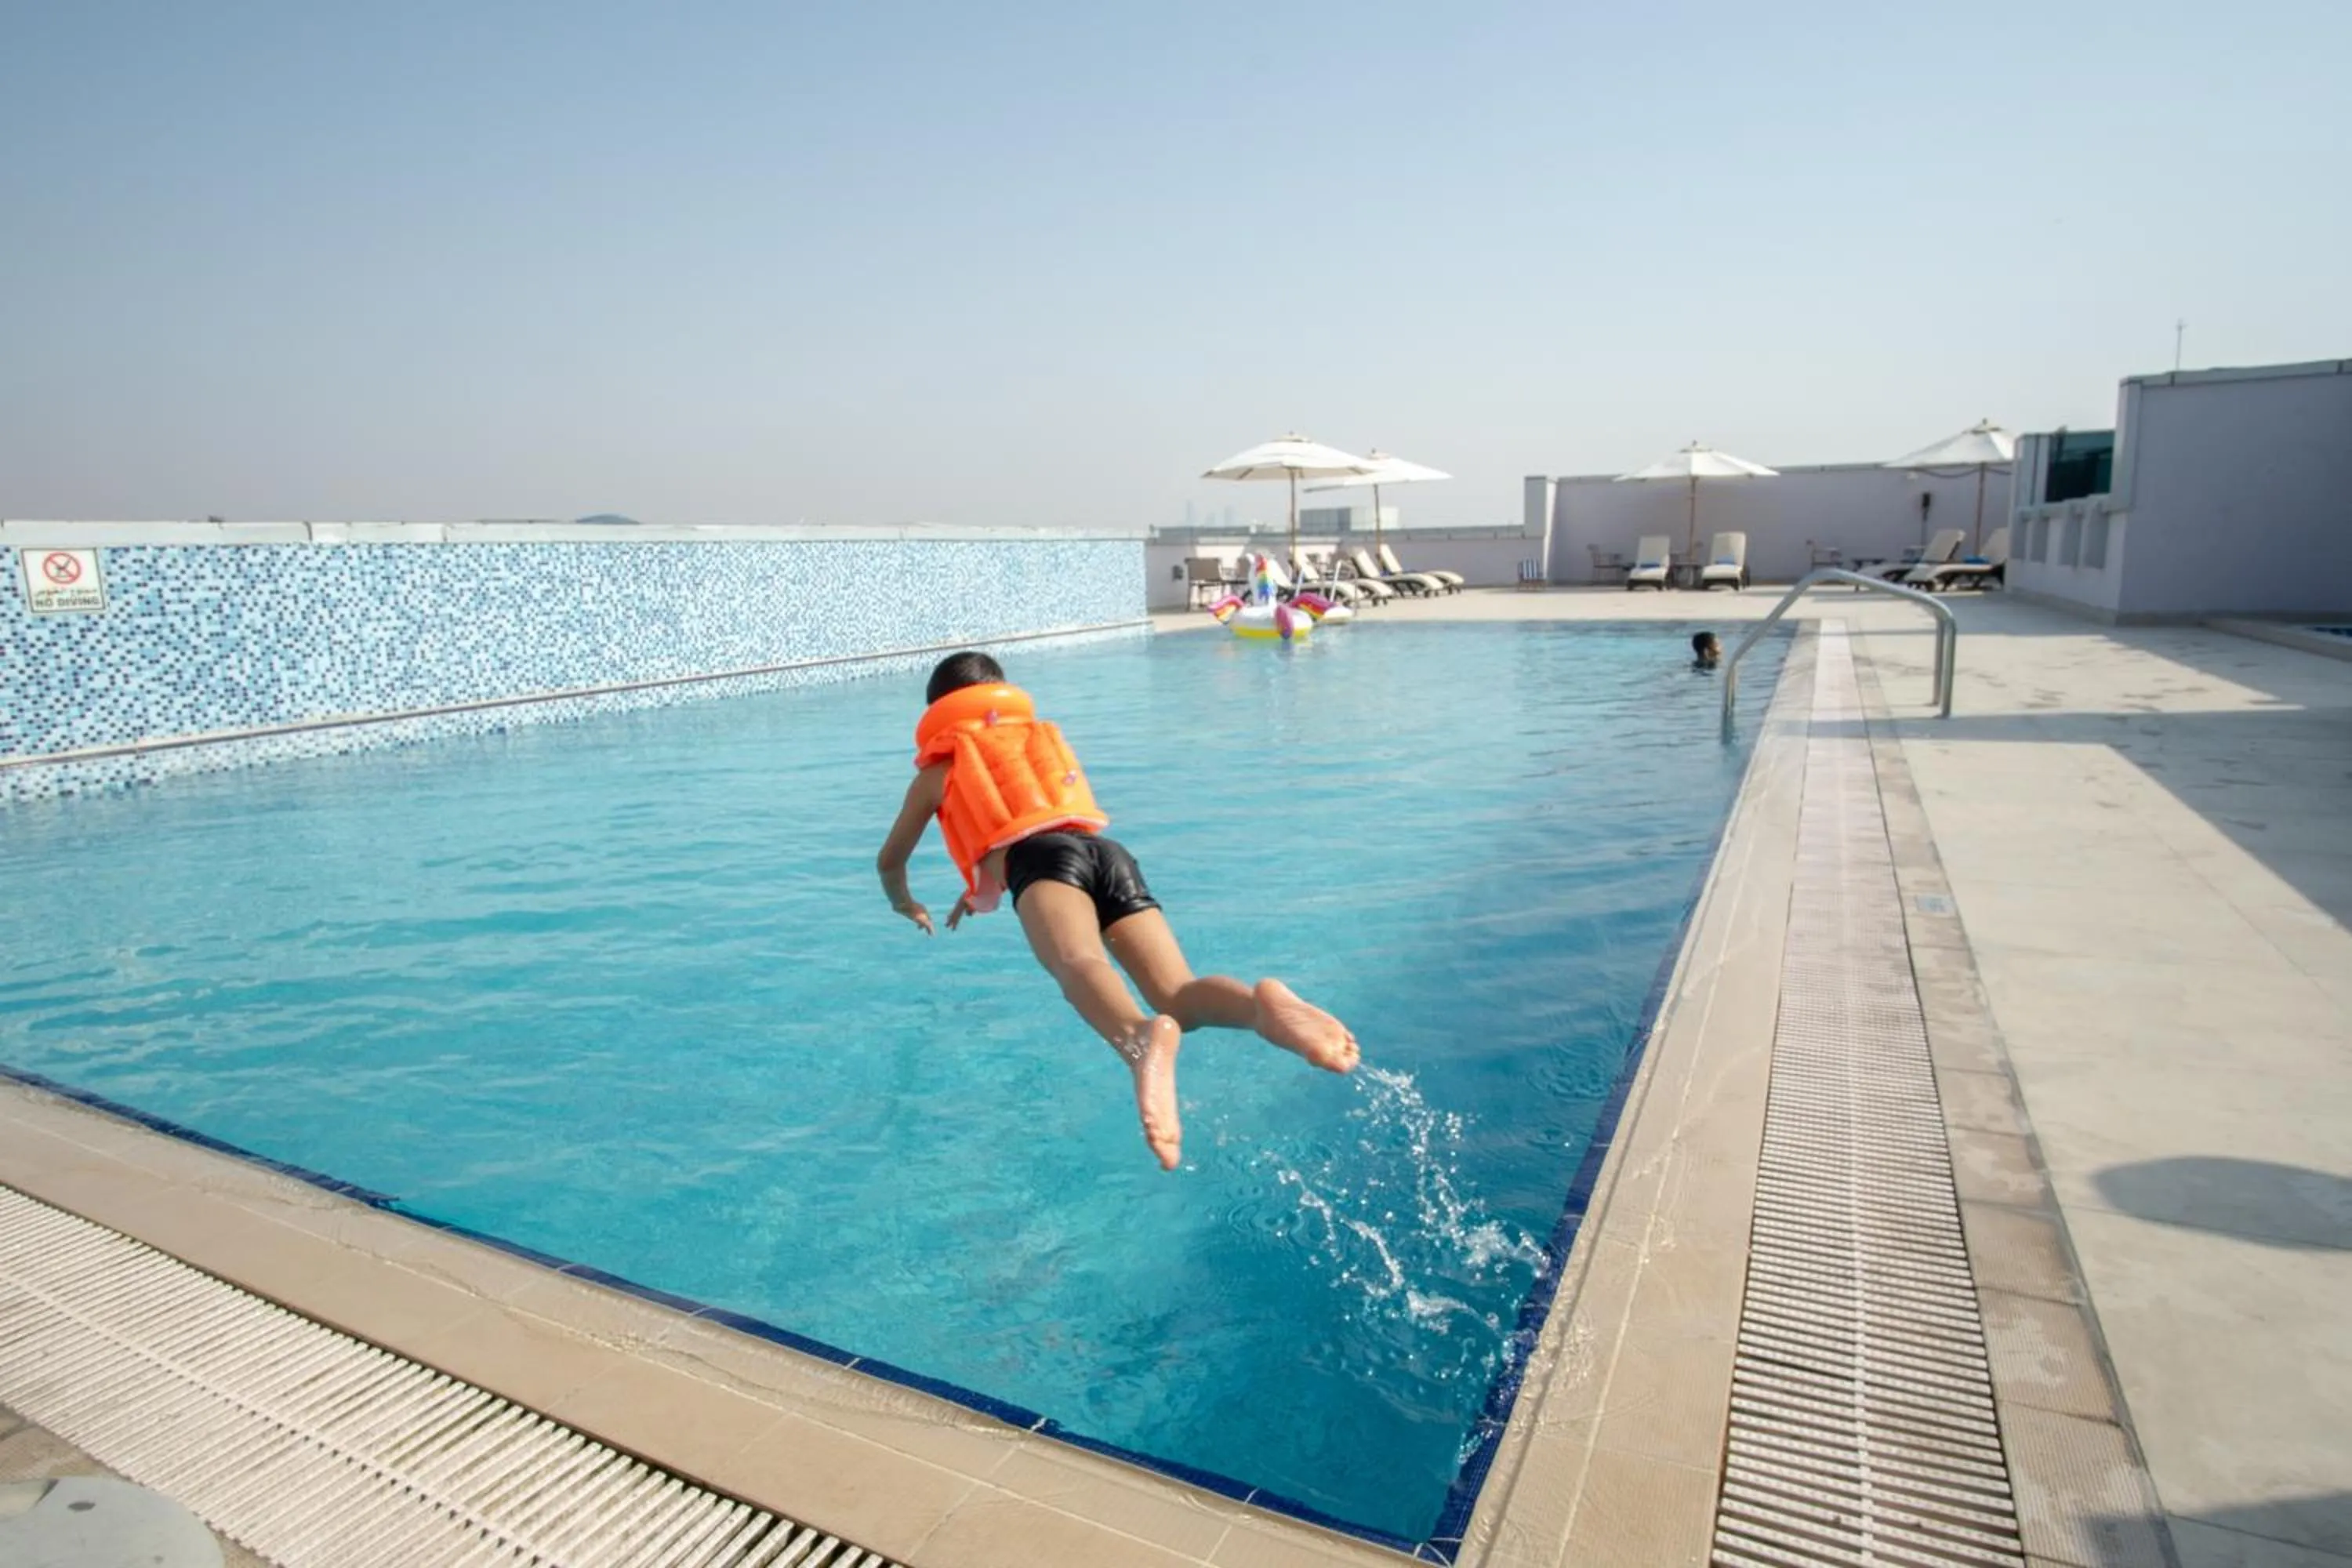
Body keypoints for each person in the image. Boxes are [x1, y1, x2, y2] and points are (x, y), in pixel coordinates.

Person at [877, 652, 1359, 1170]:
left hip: (1042, 867)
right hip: (1108, 855)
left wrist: (904, 901)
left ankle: (1136, 1038)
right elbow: (1025, 822)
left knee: (1078, 964)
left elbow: (892, 860)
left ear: (937, 713)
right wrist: (975, 895)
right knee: (1176, 994)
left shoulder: (941, 770)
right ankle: (1262, 1011)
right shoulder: (1033, 744)